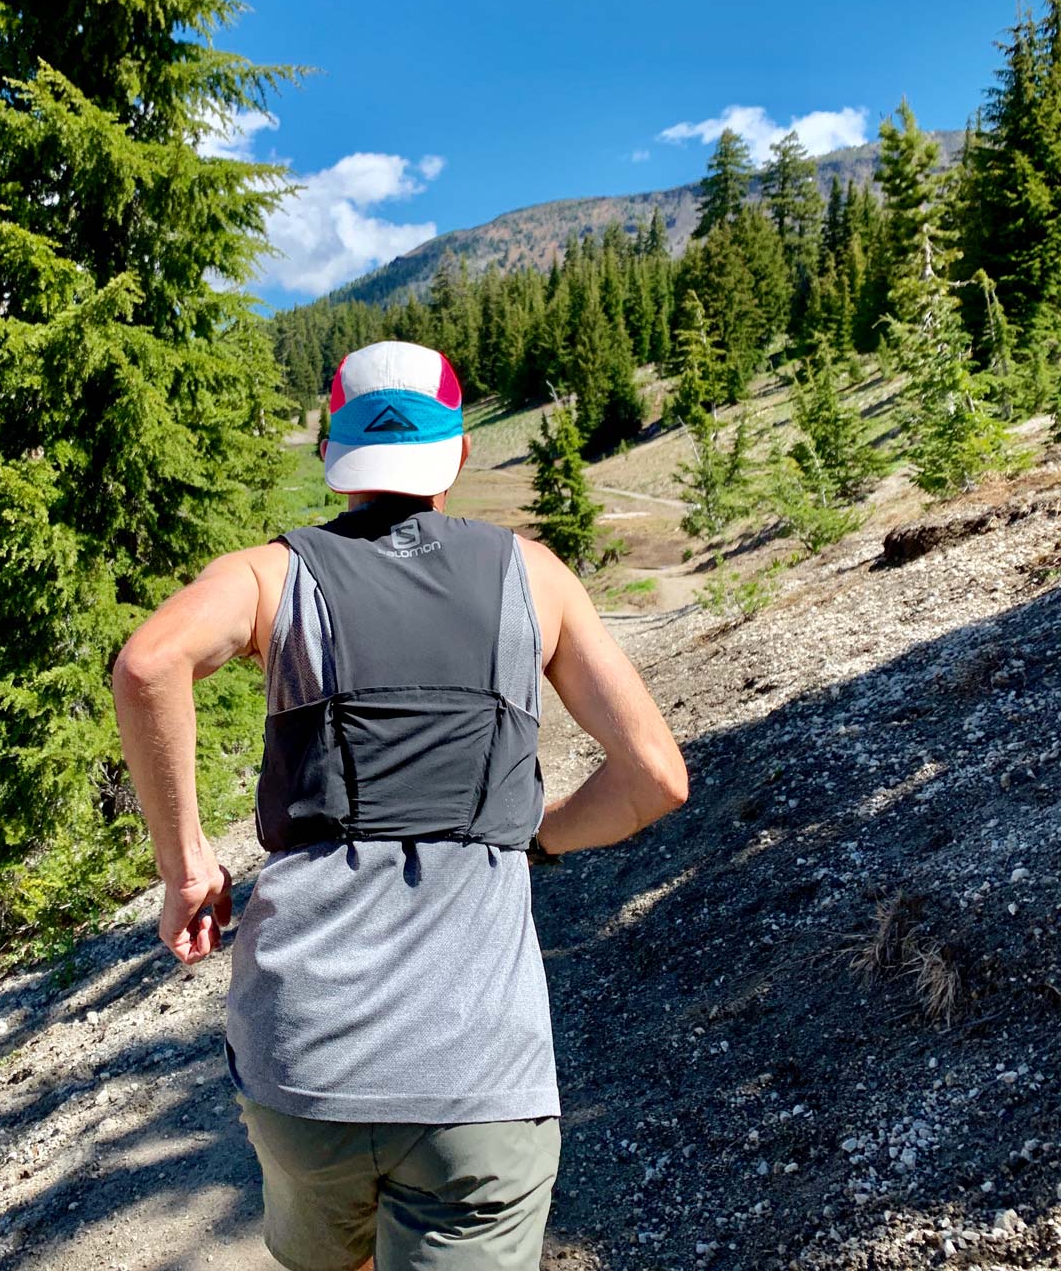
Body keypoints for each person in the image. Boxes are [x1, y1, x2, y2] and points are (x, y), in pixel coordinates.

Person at [113, 340, 688, 1271]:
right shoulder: (534, 576)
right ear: (457, 453)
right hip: (479, 1079)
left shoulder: (271, 575)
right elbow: (656, 775)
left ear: (336, 457)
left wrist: (186, 870)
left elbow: (148, 664)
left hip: (303, 1071)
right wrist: (536, 840)